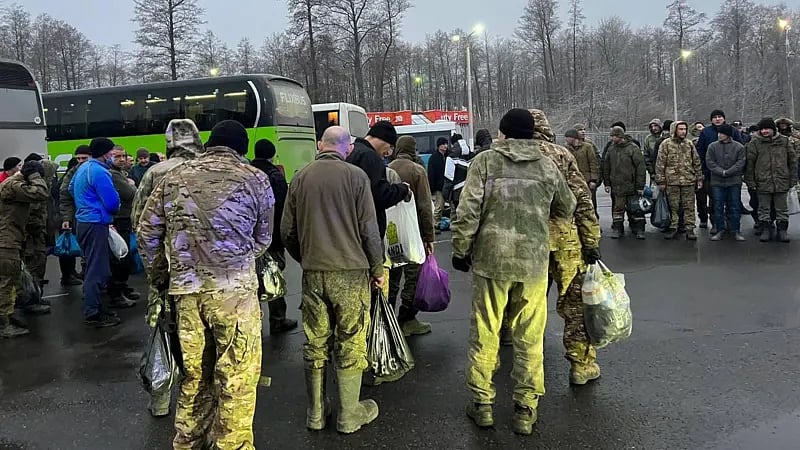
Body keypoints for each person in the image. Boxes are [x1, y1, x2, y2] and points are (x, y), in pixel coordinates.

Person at [137, 120, 273, 449]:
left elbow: (146, 232)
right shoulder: (256, 179)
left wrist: (162, 273)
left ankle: (188, 442)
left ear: (209, 143)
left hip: (186, 293)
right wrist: (234, 259)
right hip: (234, 294)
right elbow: (263, 238)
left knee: (195, 376)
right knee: (237, 375)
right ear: (242, 149)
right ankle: (231, 445)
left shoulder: (173, 177)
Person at [452, 109, 576, 436]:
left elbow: (468, 211)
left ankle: (482, 405)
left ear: (503, 132)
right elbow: (567, 206)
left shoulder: (485, 162)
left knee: (486, 331)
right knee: (530, 336)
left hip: (492, 261)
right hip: (533, 263)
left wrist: (461, 249)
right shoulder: (548, 166)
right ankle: (525, 408)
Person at [282, 126, 384, 434]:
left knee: (315, 341)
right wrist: (377, 269)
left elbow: (287, 229)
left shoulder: (300, 177)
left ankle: (316, 412)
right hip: (351, 274)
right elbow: (369, 229)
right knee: (351, 339)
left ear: (319, 144)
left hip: (314, 273)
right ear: (348, 148)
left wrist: (307, 258)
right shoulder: (356, 177)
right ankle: (348, 414)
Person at [132, 119, 203, 418]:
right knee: (201, 334)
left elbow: (140, 221)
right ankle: (199, 396)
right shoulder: (208, 170)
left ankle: (161, 399)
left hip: (167, 267)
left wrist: (155, 270)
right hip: (205, 270)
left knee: (162, 330)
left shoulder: (155, 173)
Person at [531, 110, 602, 385]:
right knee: (574, 304)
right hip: (564, 241)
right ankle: (581, 364)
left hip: (525, 242)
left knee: (526, 301)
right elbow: (581, 198)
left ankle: (526, 364)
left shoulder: (503, 156)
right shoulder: (561, 154)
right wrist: (591, 239)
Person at [69, 137, 122, 328]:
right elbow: (112, 203)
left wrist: (85, 203)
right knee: (97, 270)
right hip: (96, 223)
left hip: (83, 222)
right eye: (111, 152)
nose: (113, 155)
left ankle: (98, 307)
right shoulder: (100, 172)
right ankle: (93, 313)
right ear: (105, 153)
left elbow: (69, 188)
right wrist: (102, 207)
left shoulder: (82, 169)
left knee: (94, 266)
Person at [387, 136, 435, 337]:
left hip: (391, 232)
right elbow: (424, 206)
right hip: (413, 231)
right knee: (413, 275)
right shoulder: (417, 170)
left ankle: (386, 318)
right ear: (414, 149)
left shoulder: (387, 167)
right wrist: (429, 236)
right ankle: (406, 319)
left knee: (392, 277)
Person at [250, 138, 298, 334]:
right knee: (273, 277)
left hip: (248, 240)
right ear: (272, 154)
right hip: (272, 238)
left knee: (252, 280)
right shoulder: (274, 176)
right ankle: (278, 319)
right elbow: (283, 209)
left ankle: (253, 320)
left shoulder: (247, 173)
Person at [0, 160, 50, 337]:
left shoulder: (12, 184)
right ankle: (3, 323)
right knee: (6, 282)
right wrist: (35, 176)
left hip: (11, 239)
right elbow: (41, 193)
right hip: (6, 241)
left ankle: (7, 315)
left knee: (12, 280)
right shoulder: (14, 186)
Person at [347, 121, 410, 238]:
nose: (388, 153)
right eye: (390, 147)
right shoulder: (370, 157)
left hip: (351, 226)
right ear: (383, 139)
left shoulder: (352, 151)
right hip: (366, 229)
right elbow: (380, 195)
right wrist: (403, 189)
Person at [745, 118, 798, 243]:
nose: (764, 131)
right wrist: (750, 181)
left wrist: (793, 179)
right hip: (762, 181)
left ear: (773, 129)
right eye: (762, 129)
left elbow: (792, 161)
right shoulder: (755, 143)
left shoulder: (784, 141)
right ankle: (766, 229)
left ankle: (782, 230)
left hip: (781, 180)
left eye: (767, 129)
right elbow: (749, 164)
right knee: (764, 208)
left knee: (782, 208)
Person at [19, 153, 58, 315]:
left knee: (40, 264)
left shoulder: (45, 188)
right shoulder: (34, 190)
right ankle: (29, 300)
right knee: (32, 266)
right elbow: (31, 215)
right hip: (31, 236)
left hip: (39, 234)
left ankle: (37, 295)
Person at [695, 110, 745, 232]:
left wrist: (736, 170)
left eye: (720, 117)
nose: (717, 119)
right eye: (715, 117)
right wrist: (701, 170)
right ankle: (714, 223)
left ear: (724, 118)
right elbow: (700, 152)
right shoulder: (706, 132)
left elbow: (740, 149)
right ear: (711, 119)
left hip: (731, 172)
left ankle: (730, 223)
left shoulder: (732, 130)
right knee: (714, 200)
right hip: (710, 172)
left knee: (731, 200)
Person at [655, 121, 704, 241]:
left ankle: (689, 229)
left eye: (684, 129)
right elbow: (660, 163)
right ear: (674, 130)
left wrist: (699, 177)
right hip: (672, 181)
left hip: (688, 180)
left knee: (689, 206)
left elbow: (696, 161)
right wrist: (661, 181)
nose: (683, 132)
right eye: (680, 129)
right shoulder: (666, 144)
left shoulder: (689, 144)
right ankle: (673, 227)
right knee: (673, 206)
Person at [107, 146, 139, 308]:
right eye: (116, 156)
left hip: (124, 218)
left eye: (123, 156)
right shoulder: (113, 175)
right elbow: (130, 193)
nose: (121, 159)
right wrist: (131, 184)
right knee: (120, 257)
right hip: (118, 220)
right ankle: (116, 294)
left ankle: (122, 288)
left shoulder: (121, 173)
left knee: (123, 256)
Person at [602, 126, 647, 239]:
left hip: (632, 185)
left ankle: (639, 229)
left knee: (636, 209)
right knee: (618, 209)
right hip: (617, 186)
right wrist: (607, 183)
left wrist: (640, 185)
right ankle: (618, 229)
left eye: (614, 136)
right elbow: (606, 166)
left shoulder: (632, 148)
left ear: (620, 136)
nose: (612, 138)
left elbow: (640, 168)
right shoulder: (611, 149)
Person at [706, 124, 747, 241]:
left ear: (728, 135)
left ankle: (735, 230)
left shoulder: (739, 147)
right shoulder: (712, 146)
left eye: (722, 133)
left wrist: (728, 172)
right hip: (717, 182)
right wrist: (721, 172)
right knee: (718, 206)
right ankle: (720, 230)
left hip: (734, 181)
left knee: (734, 206)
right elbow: (710, 162)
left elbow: (740, 162)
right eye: (718, 133)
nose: (719, 135)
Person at [54, 156, 83, 286]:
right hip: (66, 218)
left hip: (66, 217)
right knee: (67, 249)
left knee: (69, 248)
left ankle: (70, 272)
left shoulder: (65, 180)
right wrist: (66, 219)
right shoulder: (67, 182)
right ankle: (67, 275)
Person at [565, 128, 600, 215]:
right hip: (573, 181)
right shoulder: (565, 149)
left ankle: (594, 223)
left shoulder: (587, 147)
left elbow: (593, 163)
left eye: (568, 137)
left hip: (587, 180)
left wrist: (593, 180)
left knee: (591, 203)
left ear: (573, 138)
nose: (566, 139)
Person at [428, 137, 448, 232]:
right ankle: (435, 224)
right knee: (439, 206)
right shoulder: (434, 158)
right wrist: (432, 187)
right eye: (443, 144)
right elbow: (431, 174)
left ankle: (438, 223)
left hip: (447, 185)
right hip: (439, 186)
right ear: (439, 146)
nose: (445, 146)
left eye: (446, 144)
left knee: (446, 206)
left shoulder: (448, 156)